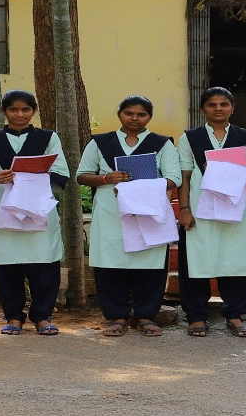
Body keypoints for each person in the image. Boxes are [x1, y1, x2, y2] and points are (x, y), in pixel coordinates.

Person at [77, 96, 181, 337]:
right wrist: (106, 178)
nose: (134, 118)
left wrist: (143, 184)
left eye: (141, 114)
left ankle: (146, 316)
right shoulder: (99, 142)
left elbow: (173, 178)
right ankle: (117, 316)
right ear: (120, 114)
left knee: (150, 264)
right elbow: (82, 176)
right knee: (111, 264)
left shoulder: (162, 143)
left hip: (148, 211)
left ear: (149, 117)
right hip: (111, 212)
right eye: (129, 113)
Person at [177, 87, 246, 337]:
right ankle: (196, 316)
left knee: (236, 259)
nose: (218, 109)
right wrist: (184, 209)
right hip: (199, 206)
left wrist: (226, 169)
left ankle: (235, 315)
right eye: (212, 105)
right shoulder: (190, 137)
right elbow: (184, 176)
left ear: (232, 107)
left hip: (236, 206)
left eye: (224, 104)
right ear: (202, 109)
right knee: (196, 260)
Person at [0, 90, 71, 336]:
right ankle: (13, 316)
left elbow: (61, 168)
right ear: (4, 112)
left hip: (38, 203)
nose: (19, 114)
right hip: (2, 204)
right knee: (7, 263)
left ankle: (42, 316)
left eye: (25, 110)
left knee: (44, 261)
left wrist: (35, 174)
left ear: (34, 111)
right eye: (13, 110)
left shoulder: (48, 137)